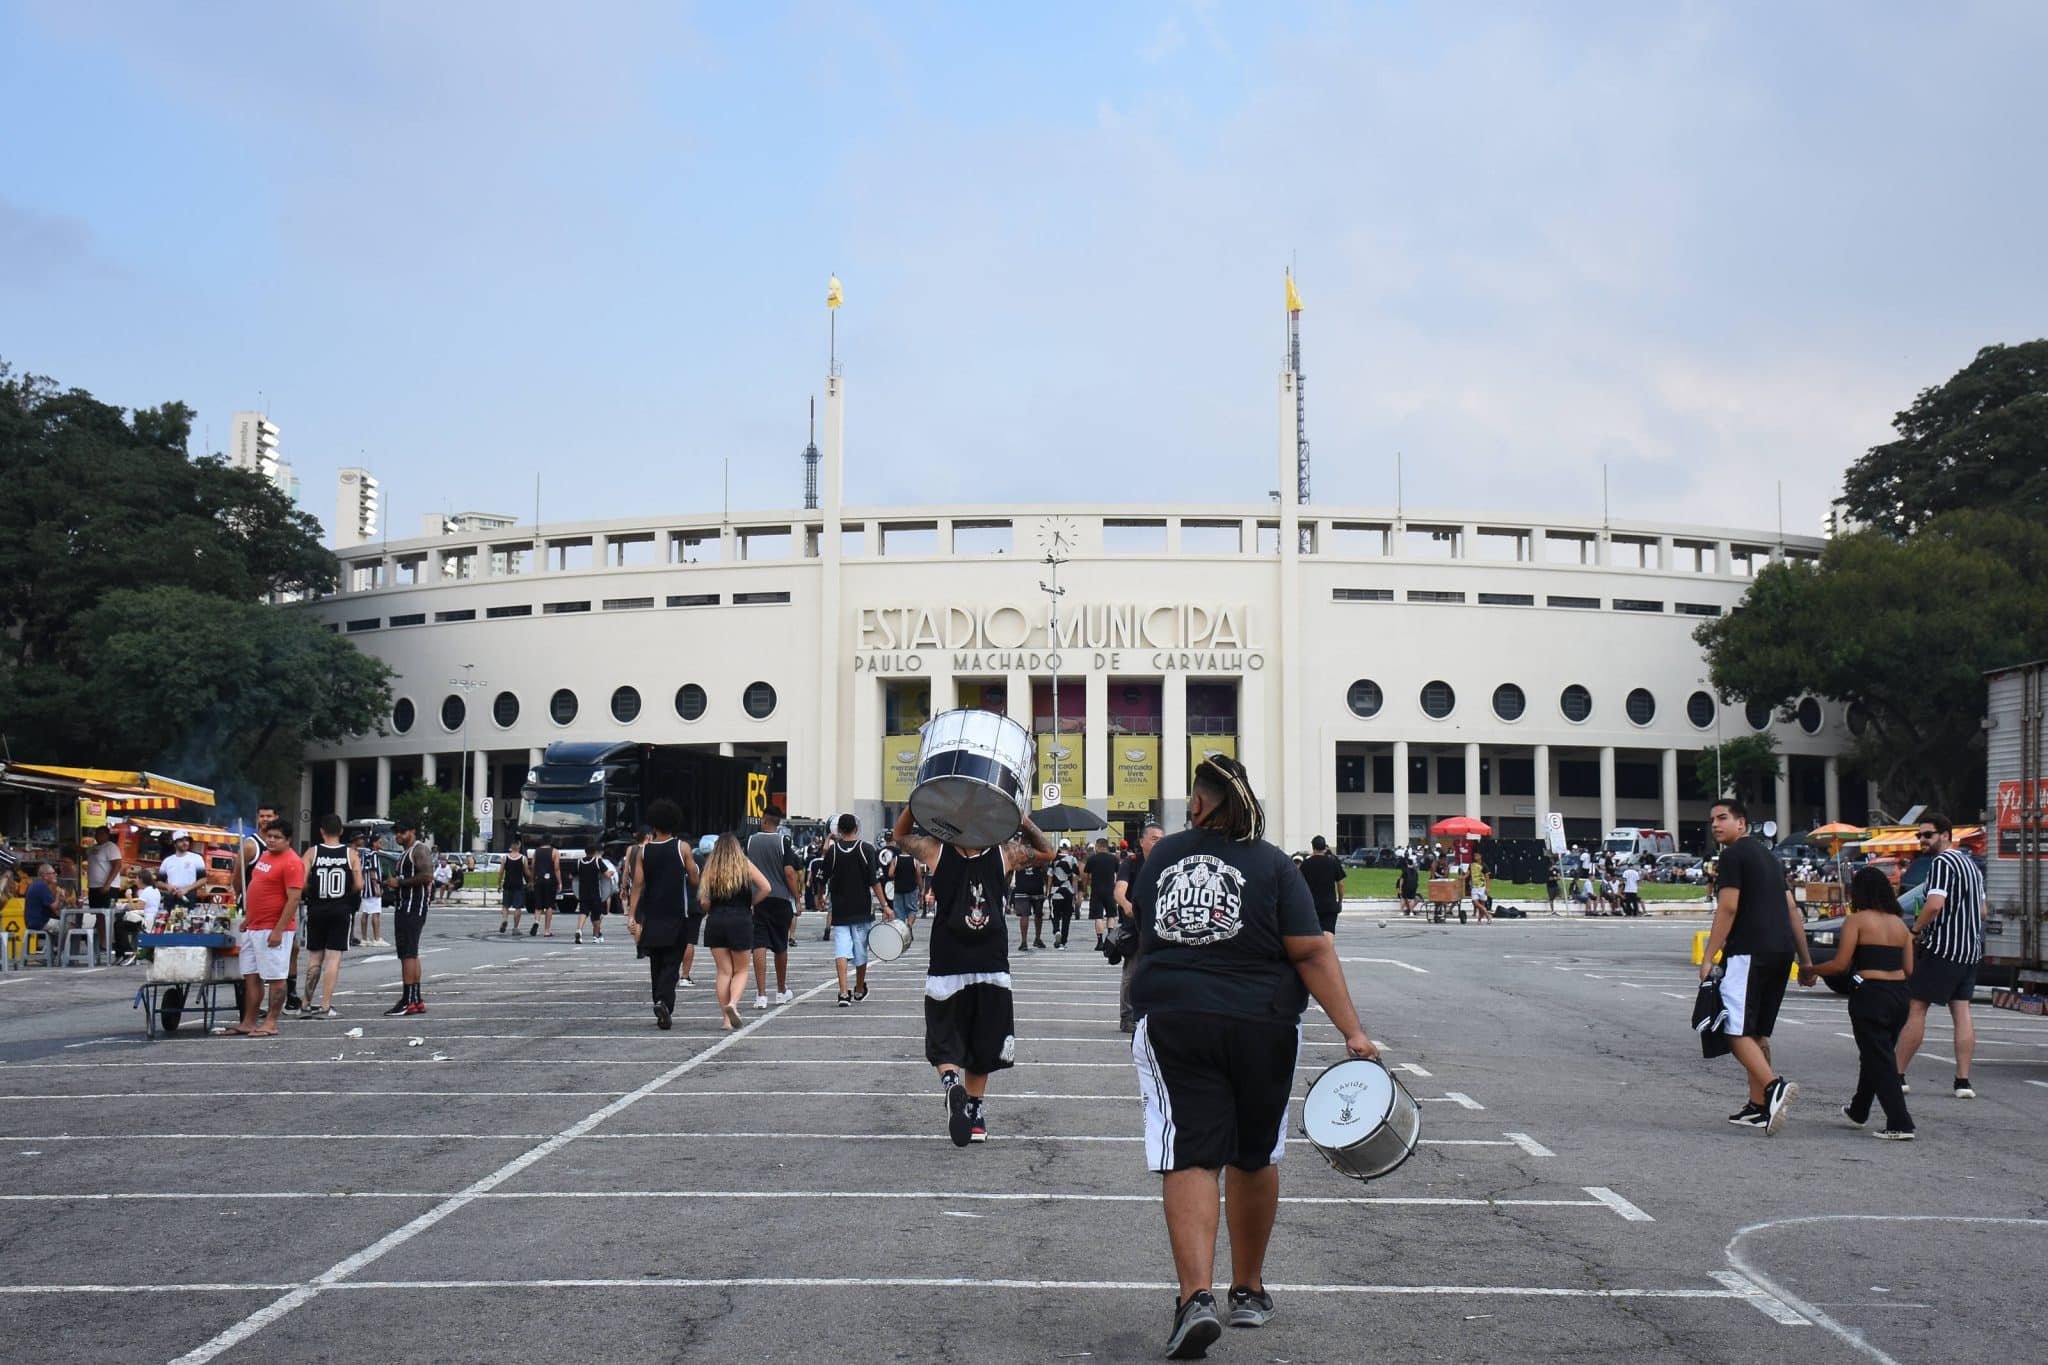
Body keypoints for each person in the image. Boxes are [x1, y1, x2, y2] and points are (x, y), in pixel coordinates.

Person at [1127, 753, 1378, 1357]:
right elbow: (1311, 952)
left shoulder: (1163, 855)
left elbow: (1140, 923)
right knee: (1254, 1152)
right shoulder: (1272, 865)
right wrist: (1354, 1033)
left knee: (1188, 1150)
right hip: (1263, 1023)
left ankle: (1195, 1299)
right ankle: (1247, 1289)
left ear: (1198, 803)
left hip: (1177, 1019)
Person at [891, 805, 1054, 1147]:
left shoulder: (937, 851)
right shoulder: (1005, 853)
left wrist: (916, 804)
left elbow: (900, 836)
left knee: (944, 1032)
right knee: (984, 1040)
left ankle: (952, 1085)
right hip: (991, 958)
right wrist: (1020, 818)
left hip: (948, 958)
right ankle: (975, 1115)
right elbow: (1046, 851)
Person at [1699, 797, 1813, 1134]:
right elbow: (1792, 909)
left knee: (1732, 1028)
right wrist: (1805, 960)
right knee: (1758, 1031)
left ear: (1741, 824)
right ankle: (1759, 1105)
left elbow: (1728, 908)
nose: (1716, 824)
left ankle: (1773, 1086)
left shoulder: (1733, 855)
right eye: (1713, 820)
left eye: (1723, 818)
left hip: (1749, 951)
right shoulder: (1771, 858)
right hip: (1781, 953)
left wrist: (1709, 956)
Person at [1803, 866, 1916, 1138]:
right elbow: (1910, 969)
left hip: (1871, 995)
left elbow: (1841, 965)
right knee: (1876, 1054)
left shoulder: (1857, 921)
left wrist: (1812, 970)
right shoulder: (1900, 925)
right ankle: (1859, 1109)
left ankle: (1900, 1123)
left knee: (1880, 1059)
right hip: (1899, 995)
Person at [1895, 812, 1987, 1100]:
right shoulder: (1971, 864)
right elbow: (1983, 910)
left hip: (1944, 949)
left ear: (1945, 835)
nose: (1922, 840)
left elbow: (1934, 905)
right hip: (1970, 950)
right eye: (1919, 835)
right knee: (1961, 1012)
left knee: (1917, 1007)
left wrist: (1916, 930)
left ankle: (1897, 1075)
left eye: (1927, 834)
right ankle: (1963, 1081)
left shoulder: (1942, 863)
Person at [229, 820, 303, 1038]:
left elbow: (294, 899)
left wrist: (279, 930)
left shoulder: (292, 862)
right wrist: (247, 919)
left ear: (288, 840)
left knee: (276, 977)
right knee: (251, 975)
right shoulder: (265, 856)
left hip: (273, 927)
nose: (271, 840)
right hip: (255, 926)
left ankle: (271, 1022)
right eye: (269, 836)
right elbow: (258, 889)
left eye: (277, 837)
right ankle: (249, 1021)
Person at [628, 800, 698, 1029]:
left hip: (652, 915)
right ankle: (664, 1002)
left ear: (653, 824)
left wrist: (631, 915)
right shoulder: (682, 848)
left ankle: (659, 999)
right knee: (672, 963)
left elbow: (637, 885)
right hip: (677, 914)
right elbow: (694, 878)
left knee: (656, 963)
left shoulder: (644, 851)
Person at [698, 832, 772, 1030]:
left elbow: (704, 901)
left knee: (723, 972)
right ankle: (733, 1004)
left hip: (716, 921)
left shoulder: (711, 868)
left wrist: (712, 909)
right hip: (740, 919)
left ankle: (725, 1019)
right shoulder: (744, 865)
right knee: (741, 970)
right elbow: (766, 887)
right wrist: (750, 903)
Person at [297, 814, 359, 1019]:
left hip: (317, 908)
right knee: (333, 958)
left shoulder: (312, 853)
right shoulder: (350, 854)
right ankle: (325, 1005)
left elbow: (302, 881)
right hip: (340, 909)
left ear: (321, 831)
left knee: (315, 957)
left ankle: (305, 1004)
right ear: (341, 831)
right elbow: (359, 884)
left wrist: (312, 891)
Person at [747, 807, 806, 1008]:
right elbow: (789, 872)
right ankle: (781, 990)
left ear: (764, 820)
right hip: (780, 898)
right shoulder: (783, 842)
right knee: (780, 945)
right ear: (778, 823)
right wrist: (797, 898)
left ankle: (761, 994)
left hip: (758, 898)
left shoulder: (750, 841)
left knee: (759, 944)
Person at [823, 814, 884, 1006]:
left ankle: (842, 992)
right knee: (860, 950)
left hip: (840, 909)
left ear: (839, 830)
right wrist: (885, 905)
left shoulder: (833, 851)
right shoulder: (866, 849)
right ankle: (858, 989)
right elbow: (874, 881)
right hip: (861, 909)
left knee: (841, 949)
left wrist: (818, 896)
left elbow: (822, 875)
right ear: (856, 828)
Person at [1115, 818, 1164, 1033]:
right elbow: (1119, 890)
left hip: (1161, 925)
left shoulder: (1167, 862)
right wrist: (1126, 905)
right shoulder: (1131, 862)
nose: (1158, 843)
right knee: (1131, 972)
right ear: (1142, 841)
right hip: (1135, 926)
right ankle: (1127, 1017)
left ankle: (1153, 1013)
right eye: (1154, 839)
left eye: (1161, 840)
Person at [385, 816, 436, 1016]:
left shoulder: (419, 850)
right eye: (396, 832)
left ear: (412, 831)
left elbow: (427, 875)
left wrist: (401, 883)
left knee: (407, 953)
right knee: (411, 952)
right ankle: (415, 998)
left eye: (402, 831)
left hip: (412, 907)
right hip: (407, 905)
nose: (398, 835)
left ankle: (408, 999)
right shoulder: (407, 852)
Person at [84, 826, 125, 953]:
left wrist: (108, 884)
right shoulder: (94, 849)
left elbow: (117, 865)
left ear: (107, 835)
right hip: (94, 887)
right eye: (96, 833)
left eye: (101, 833)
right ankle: (103, 943)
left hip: (109, 888)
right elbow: (83, 852)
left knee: (108, 914)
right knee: (99, 915)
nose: (98, 836)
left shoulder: (111, 847)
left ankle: (110, 942)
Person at [1299, 836, 1345, 940]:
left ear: (1313, 847)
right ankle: (1327, 955)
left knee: (1312, 935)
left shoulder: (1306, 864)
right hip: (1329, 905)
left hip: (1311, 906)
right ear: (1325, 847)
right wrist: (1340, 901)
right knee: (1328, 933)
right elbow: (1341, 884)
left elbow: (1299, 885)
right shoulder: (1333, 863)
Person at [1084, 837, 1120, 946]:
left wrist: (1085, 889)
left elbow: (1086, 876)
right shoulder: (1114, 859)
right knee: (1111, 915)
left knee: (1098, 916)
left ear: (1098, 846)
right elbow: (1118, 875)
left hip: (1096, 890)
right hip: (1110, 890)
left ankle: (1100, 942)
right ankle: (1110, 941)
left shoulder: (1092, 859)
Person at [574, 845, 612, 945]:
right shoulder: (597, 861)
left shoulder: (579, 862)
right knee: (596, 916)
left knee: (583, 912)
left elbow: (571, 876)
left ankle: (579, 930)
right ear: (595, 852)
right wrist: (612, 873)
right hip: (595, 893)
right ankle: (596, 936)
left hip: (583, 893)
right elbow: (607, 875)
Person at [160, 831, 208, 909]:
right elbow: (158, 882)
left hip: (189, 896)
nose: (185, 843)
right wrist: (167, 886)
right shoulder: (167, 860)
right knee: (168, 919)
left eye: (186, 840)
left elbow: (203, 879)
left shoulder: (197, 858)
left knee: (187, 920)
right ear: (174, 843)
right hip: (171, 896)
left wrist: (187, 889)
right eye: (181, 841)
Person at [357, 832, 388, 948]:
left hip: (365, 888)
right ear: (374, 843)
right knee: (376, 913)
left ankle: (364, 938)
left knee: (365, 913)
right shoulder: (374, 854)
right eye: (380, 842)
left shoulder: (365, 853)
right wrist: (377, 887)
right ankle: (377, 938)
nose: (381, 843)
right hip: (372, 887)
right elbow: (372, 871)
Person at [1012, 855, 1048, 952]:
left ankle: (1024, 942)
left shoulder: (1018, 853)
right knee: (1038, 915)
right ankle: (1037, 938)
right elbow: (1045, 869)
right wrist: (1047, 884)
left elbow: (1012, 868)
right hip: (1037, 886)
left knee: (1024, 915)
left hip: (1022, 886)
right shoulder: (1038, 853)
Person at [1048, 840, 1081, 948]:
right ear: (1069, 847)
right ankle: (1063, 941)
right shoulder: (1073, 859)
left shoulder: (1053, 859)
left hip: (1056, 891)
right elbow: (1075, 878)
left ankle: (1056, 930)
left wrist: (1048, 891)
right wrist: (1075, 894)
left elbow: (1050, 876)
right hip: (1068, 891)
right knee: (1067, 917)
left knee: (1055, 914)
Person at [529, 838, 560, 937]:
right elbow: (556, 868)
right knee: (549, 906)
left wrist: (532, 880)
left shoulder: (536, 851)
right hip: (550, 880)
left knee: (538, 905)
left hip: (538, 879)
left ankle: (537, 921)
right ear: (551, 841)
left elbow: (533, 866)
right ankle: (547, 930)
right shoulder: (554, 852)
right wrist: (559, 882)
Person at [499, 836, 529, 935]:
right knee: (518, 907)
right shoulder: (523, 858)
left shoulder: (505, 858)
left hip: (507, 883)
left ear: (511, 847)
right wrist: (532, 879)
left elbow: (501, 872)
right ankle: (515, 928)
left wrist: (498, 883)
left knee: (505, 905)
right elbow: (526, 872)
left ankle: (504, 919)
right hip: (518, 884)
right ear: (519, 846)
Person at [1469, 855, 1493, 924]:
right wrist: (1462, 877)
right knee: (1475, 902)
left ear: (1480, 856)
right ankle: (1488, 915)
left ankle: (1479, 919)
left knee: (1482, 904)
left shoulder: (1483, 865)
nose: (1475, 857)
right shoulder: (1471, 865)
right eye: (1474, 855)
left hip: (1482, 887)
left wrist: (1487, 888)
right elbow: (1468, 874)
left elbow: (1487, 878)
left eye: (1477, 855)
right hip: (1474, 887)